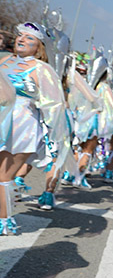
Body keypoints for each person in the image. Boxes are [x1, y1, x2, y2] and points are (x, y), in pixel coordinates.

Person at [0, 22, 66, 233]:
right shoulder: (4, 60)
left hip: (21, 126)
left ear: (39, 47)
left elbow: (54, 105)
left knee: (3, 176)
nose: (22, 39)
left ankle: (4, 220)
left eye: (30, 38)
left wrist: (53, 135)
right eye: (21, 35)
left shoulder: (43, 70)